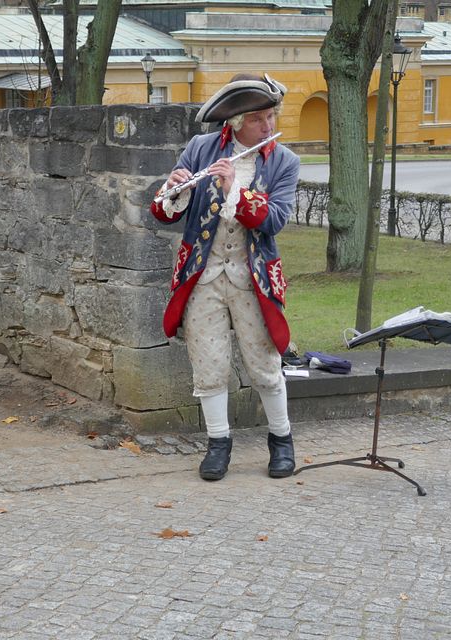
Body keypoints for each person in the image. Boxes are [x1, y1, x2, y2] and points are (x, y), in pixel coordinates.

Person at [149, 73, 299, 481]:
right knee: (209, 365)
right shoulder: (200, 149)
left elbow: (275, 221)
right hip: (204, 275)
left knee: (264, 364)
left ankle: (281, 440)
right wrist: (174, 188)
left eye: (271, 117)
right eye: (259, 120)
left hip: (254, 279)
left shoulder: (284, 161)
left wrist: (236, 190)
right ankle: (218, 444)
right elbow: (162, 213)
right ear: (235, 122)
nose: (268, 127)